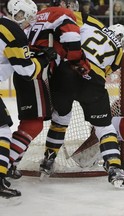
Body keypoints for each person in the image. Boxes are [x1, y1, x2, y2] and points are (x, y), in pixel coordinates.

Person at [35, 1, 124, 188]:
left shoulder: (92, 25)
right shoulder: (118, 52)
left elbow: (69, 18)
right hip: (92, 80)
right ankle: (114, 168)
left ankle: (48, 161)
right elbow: (109, 71)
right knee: (104, 128)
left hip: (65, 72)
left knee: (60, 119)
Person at [8, 0, 89, 179]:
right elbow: (72, 38)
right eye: (70, 4)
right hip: (37, 73)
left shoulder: (36, 18)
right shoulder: (60, 13)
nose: (73, 8)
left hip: (29, 72)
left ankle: (11, 163)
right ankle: (8, 163)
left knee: (35, 122)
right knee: (42, 122)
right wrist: (77, 62)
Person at [0, 0, 56, 198]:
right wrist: (44, 58)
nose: (28, 23)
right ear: (19, 13)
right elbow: (26, 70)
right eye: (28, 18)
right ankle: (3, 170)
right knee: (12, 129)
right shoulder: (12, 28)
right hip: (28, 75)